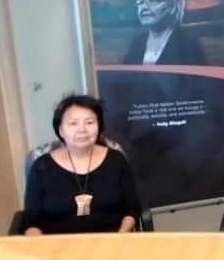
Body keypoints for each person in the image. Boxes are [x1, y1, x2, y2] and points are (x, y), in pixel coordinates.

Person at [20, 95, 140, 235]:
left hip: (111, 242)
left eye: (89, 122)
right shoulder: (41, 167)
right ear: (61, 130)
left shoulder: (116, 160)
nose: (82, 130)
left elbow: (132, 208)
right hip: (58, 247)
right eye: (73, 123)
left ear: (99, 127)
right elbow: (30, 220)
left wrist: (122, 234)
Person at [123, 0, 206, 65]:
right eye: (141, 2)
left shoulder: (187, 43)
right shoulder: (137, 43)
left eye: (153, 1)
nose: (144, 7)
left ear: (173, 7)